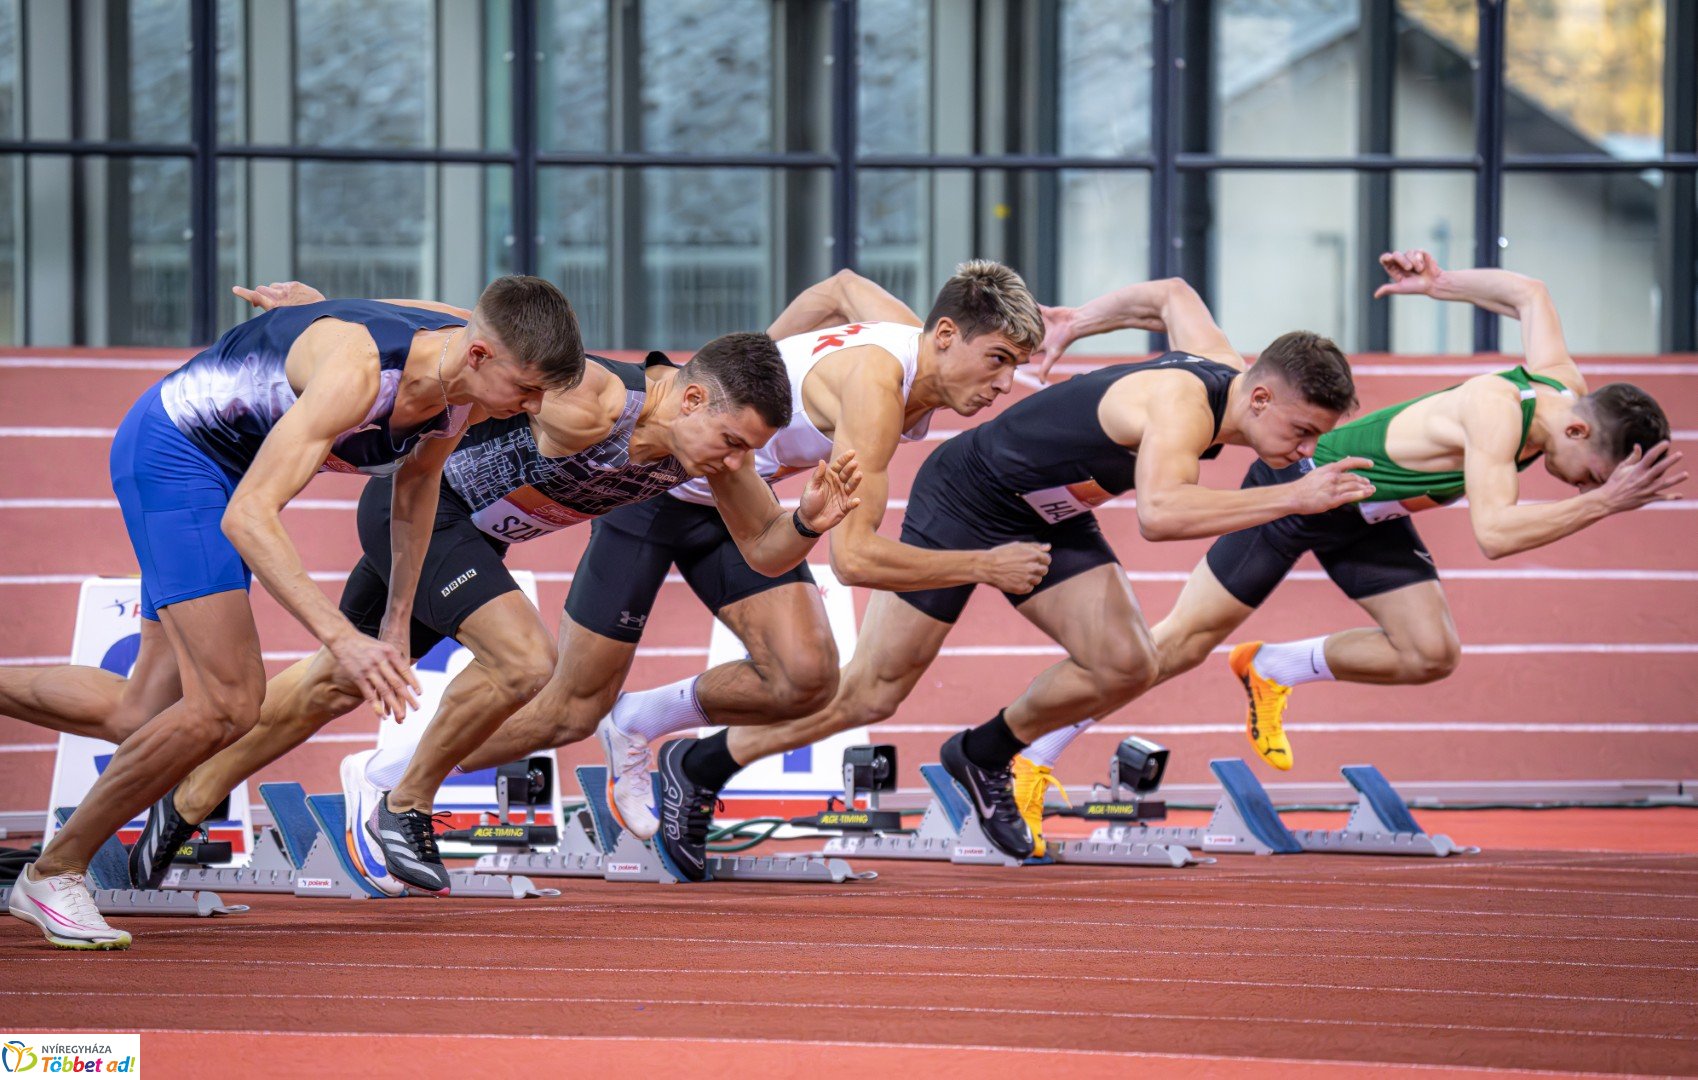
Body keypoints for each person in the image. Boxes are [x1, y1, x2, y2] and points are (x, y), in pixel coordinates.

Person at [121, 285, 861, 896]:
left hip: (472, 537)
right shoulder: (595, 403)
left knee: (335, 684)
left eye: (752, 450)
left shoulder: (717, 459)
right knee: (525, 660)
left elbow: (766, 553)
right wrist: (331, 315)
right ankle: (402, 803)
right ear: (692, 398)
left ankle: (183, 804)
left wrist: (805, 520)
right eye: (735, 441)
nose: (742, 462)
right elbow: (474, 333)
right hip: (423, 510)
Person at [388, 261, 1054, 882]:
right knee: (567, 711)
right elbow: (853, 560)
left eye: (1015, 367)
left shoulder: (909, 336)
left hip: (737, 504)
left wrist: (755, 372)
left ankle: (644, 720)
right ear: (945, 335)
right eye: (997, 361)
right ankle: (393, 779)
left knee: (806, 677)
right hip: (658, 489)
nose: (1003, 386)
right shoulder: (876, 393)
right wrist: (985, 564)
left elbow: (842, 285)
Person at [1011, 252, 1682, 837]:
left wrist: (1444, 282)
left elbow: (1529, 292)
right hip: (1304, 485)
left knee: (1429, 653)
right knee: (1173, 646)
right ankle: (1030, 758)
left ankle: (1273, 666)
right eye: (1590, 476)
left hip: (1370, 514)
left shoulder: (1565, 388)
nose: (1581, 489)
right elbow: (1495, 534)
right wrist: (1603, 504)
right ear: (1575, 436)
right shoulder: (1496, 410)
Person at [700, 277, 1372, 861]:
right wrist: (1294, 496)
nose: (1307, 451)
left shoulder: (1224, 366)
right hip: (968, 494)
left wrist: (1079, 321)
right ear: (1258, 400)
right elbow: (1161, 514)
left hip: (1051, 509)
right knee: (872, 693)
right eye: (1302, 432)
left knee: (1126, 663)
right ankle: (703, 762)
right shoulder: (1181, 405)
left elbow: (1170, 295)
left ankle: (984, 754)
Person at [5, 278, 585, 948]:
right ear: (481, 355)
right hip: (180, 456)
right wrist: (344, 639)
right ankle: (55, 871)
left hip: (236, 462)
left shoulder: (466, 373)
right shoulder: (359, 375)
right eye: (529, 389)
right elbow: (250, 516)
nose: (535, 408)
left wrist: (395, 625)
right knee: (228, 703)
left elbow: (418, 487)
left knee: (138, 712)